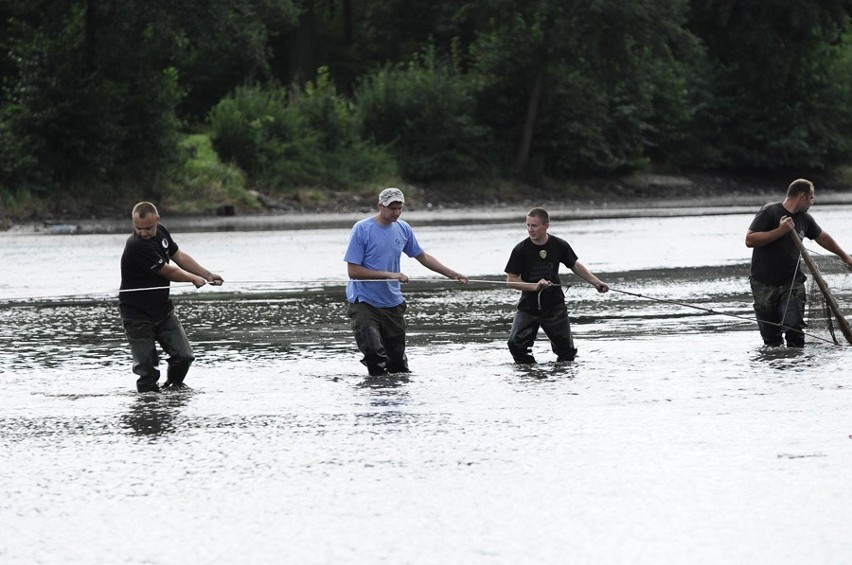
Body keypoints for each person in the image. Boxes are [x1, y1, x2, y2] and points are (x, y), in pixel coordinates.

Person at [344, 187, 469, 376]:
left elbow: (423, 256)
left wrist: (451, 273)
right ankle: (376, 397)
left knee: (398, 365)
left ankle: (396, 396)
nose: (396, 212)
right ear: (380, 206)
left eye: (399, 208)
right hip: (364, 301)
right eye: (392, 208)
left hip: (392, 301)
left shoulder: (403, 228)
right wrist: (390, 275)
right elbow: (353, 271)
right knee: (374, 354)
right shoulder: (362, 229)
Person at [119, 201, 224, 392]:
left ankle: (174, 391)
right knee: (148, 370)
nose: (143, 232)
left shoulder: (162, 233)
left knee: (184, 356)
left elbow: (180, 257)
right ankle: (148, 406)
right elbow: (168, 271)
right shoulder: (136, 245)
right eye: (138, 228)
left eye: (148, 228)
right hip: (137, 315)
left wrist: (207, 274)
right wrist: (193, 279)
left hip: (162, 310)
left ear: (158, 221)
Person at [745, 178, 852, 347]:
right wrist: (780, 231)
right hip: (763, 283)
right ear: (802, 196)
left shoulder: (805, 219)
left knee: (794, 330)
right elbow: (750, 240)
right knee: (771, 338)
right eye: (811, 198)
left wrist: (844, 256)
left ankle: (797, 365)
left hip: (792, 282)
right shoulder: (770, 211)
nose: (812, 202)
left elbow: (822, 237)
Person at [505, 207, 609, 364]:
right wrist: (534, 287)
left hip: (554, 305)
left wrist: (596, 282)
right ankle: (529, 372)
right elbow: (511, 280)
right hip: (528, 307)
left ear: (546, 225)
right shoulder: (520, 249)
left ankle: (561, 379)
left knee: (567, 353)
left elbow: (574, 265)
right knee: (515, 345)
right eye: (528, 225)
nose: (530, 230)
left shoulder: (559, 245)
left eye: (534, 225)